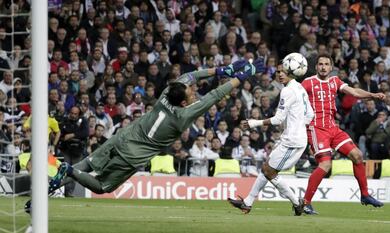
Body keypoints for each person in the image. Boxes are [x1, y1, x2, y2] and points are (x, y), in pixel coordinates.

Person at [41, 59, 265, 196]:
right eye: (191, 93)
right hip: (132, 155)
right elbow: (215, 95)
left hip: (120, 138)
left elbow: (190, 76)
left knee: (87, 164)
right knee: (101, 187)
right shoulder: (183, 115)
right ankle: (68, 171)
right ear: (185, 102)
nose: (193, 91)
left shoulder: (167, 94)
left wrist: (222, 70)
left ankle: (50, 187)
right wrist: (244, 75)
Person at [301, 54, 385, 215]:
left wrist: (372, 95)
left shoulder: (335, 81)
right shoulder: (308, 82)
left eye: (326, 64)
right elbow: (295, 97)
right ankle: (305, 203)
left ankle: (365, 195)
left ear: (331, 67)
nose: (323, 67)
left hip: (333, 128)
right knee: (325, 165)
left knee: (357, 155)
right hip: (317, 128)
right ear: (316, 67)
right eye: (320, 64)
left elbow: (353, 91)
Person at [228, 62, 314, 216]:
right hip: (293, 137)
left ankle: (296, 203)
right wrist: (299, 126)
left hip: (292, 141)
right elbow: (310, 115)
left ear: (292, 72)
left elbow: (278, 119)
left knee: (269, 171)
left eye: (284, 72)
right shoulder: (300, 88)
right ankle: (247, 202)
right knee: (267, 169)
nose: (280, 74)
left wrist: (255, 123)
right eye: (278, 72)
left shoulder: (288, 91)